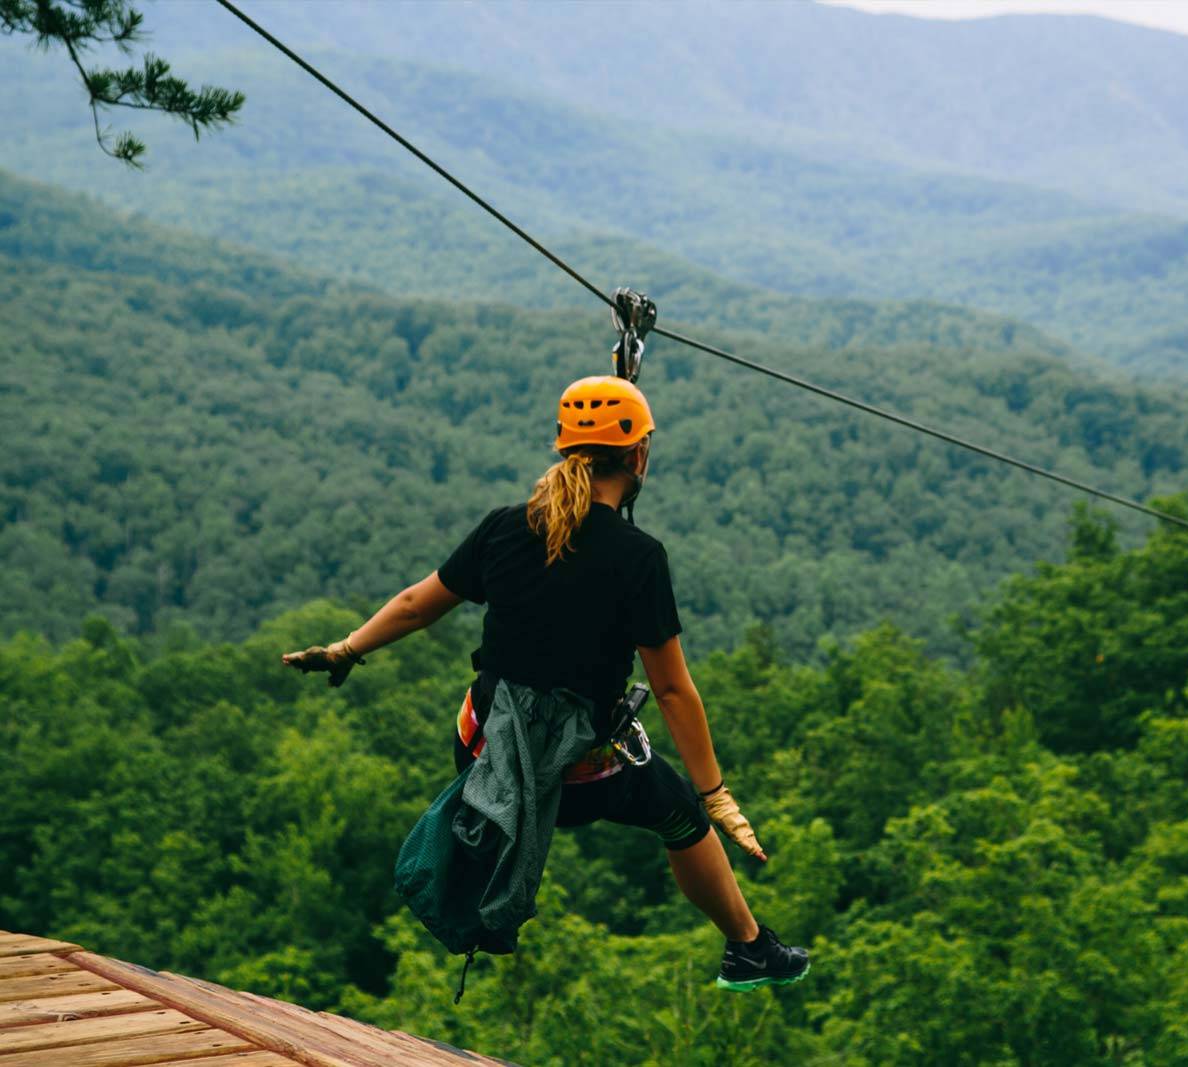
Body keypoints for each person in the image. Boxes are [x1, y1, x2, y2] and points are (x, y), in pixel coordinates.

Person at [282, 375, 809, 992]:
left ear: (565, 450)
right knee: (681, 817)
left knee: (523, 709)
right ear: (639, 456)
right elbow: (670, 691)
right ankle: (748, 948)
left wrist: (347, 648)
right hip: (570, 775)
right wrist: (715, 792)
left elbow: (416, 604)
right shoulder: (638, 558)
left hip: (481, 747)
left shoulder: (506, 527)